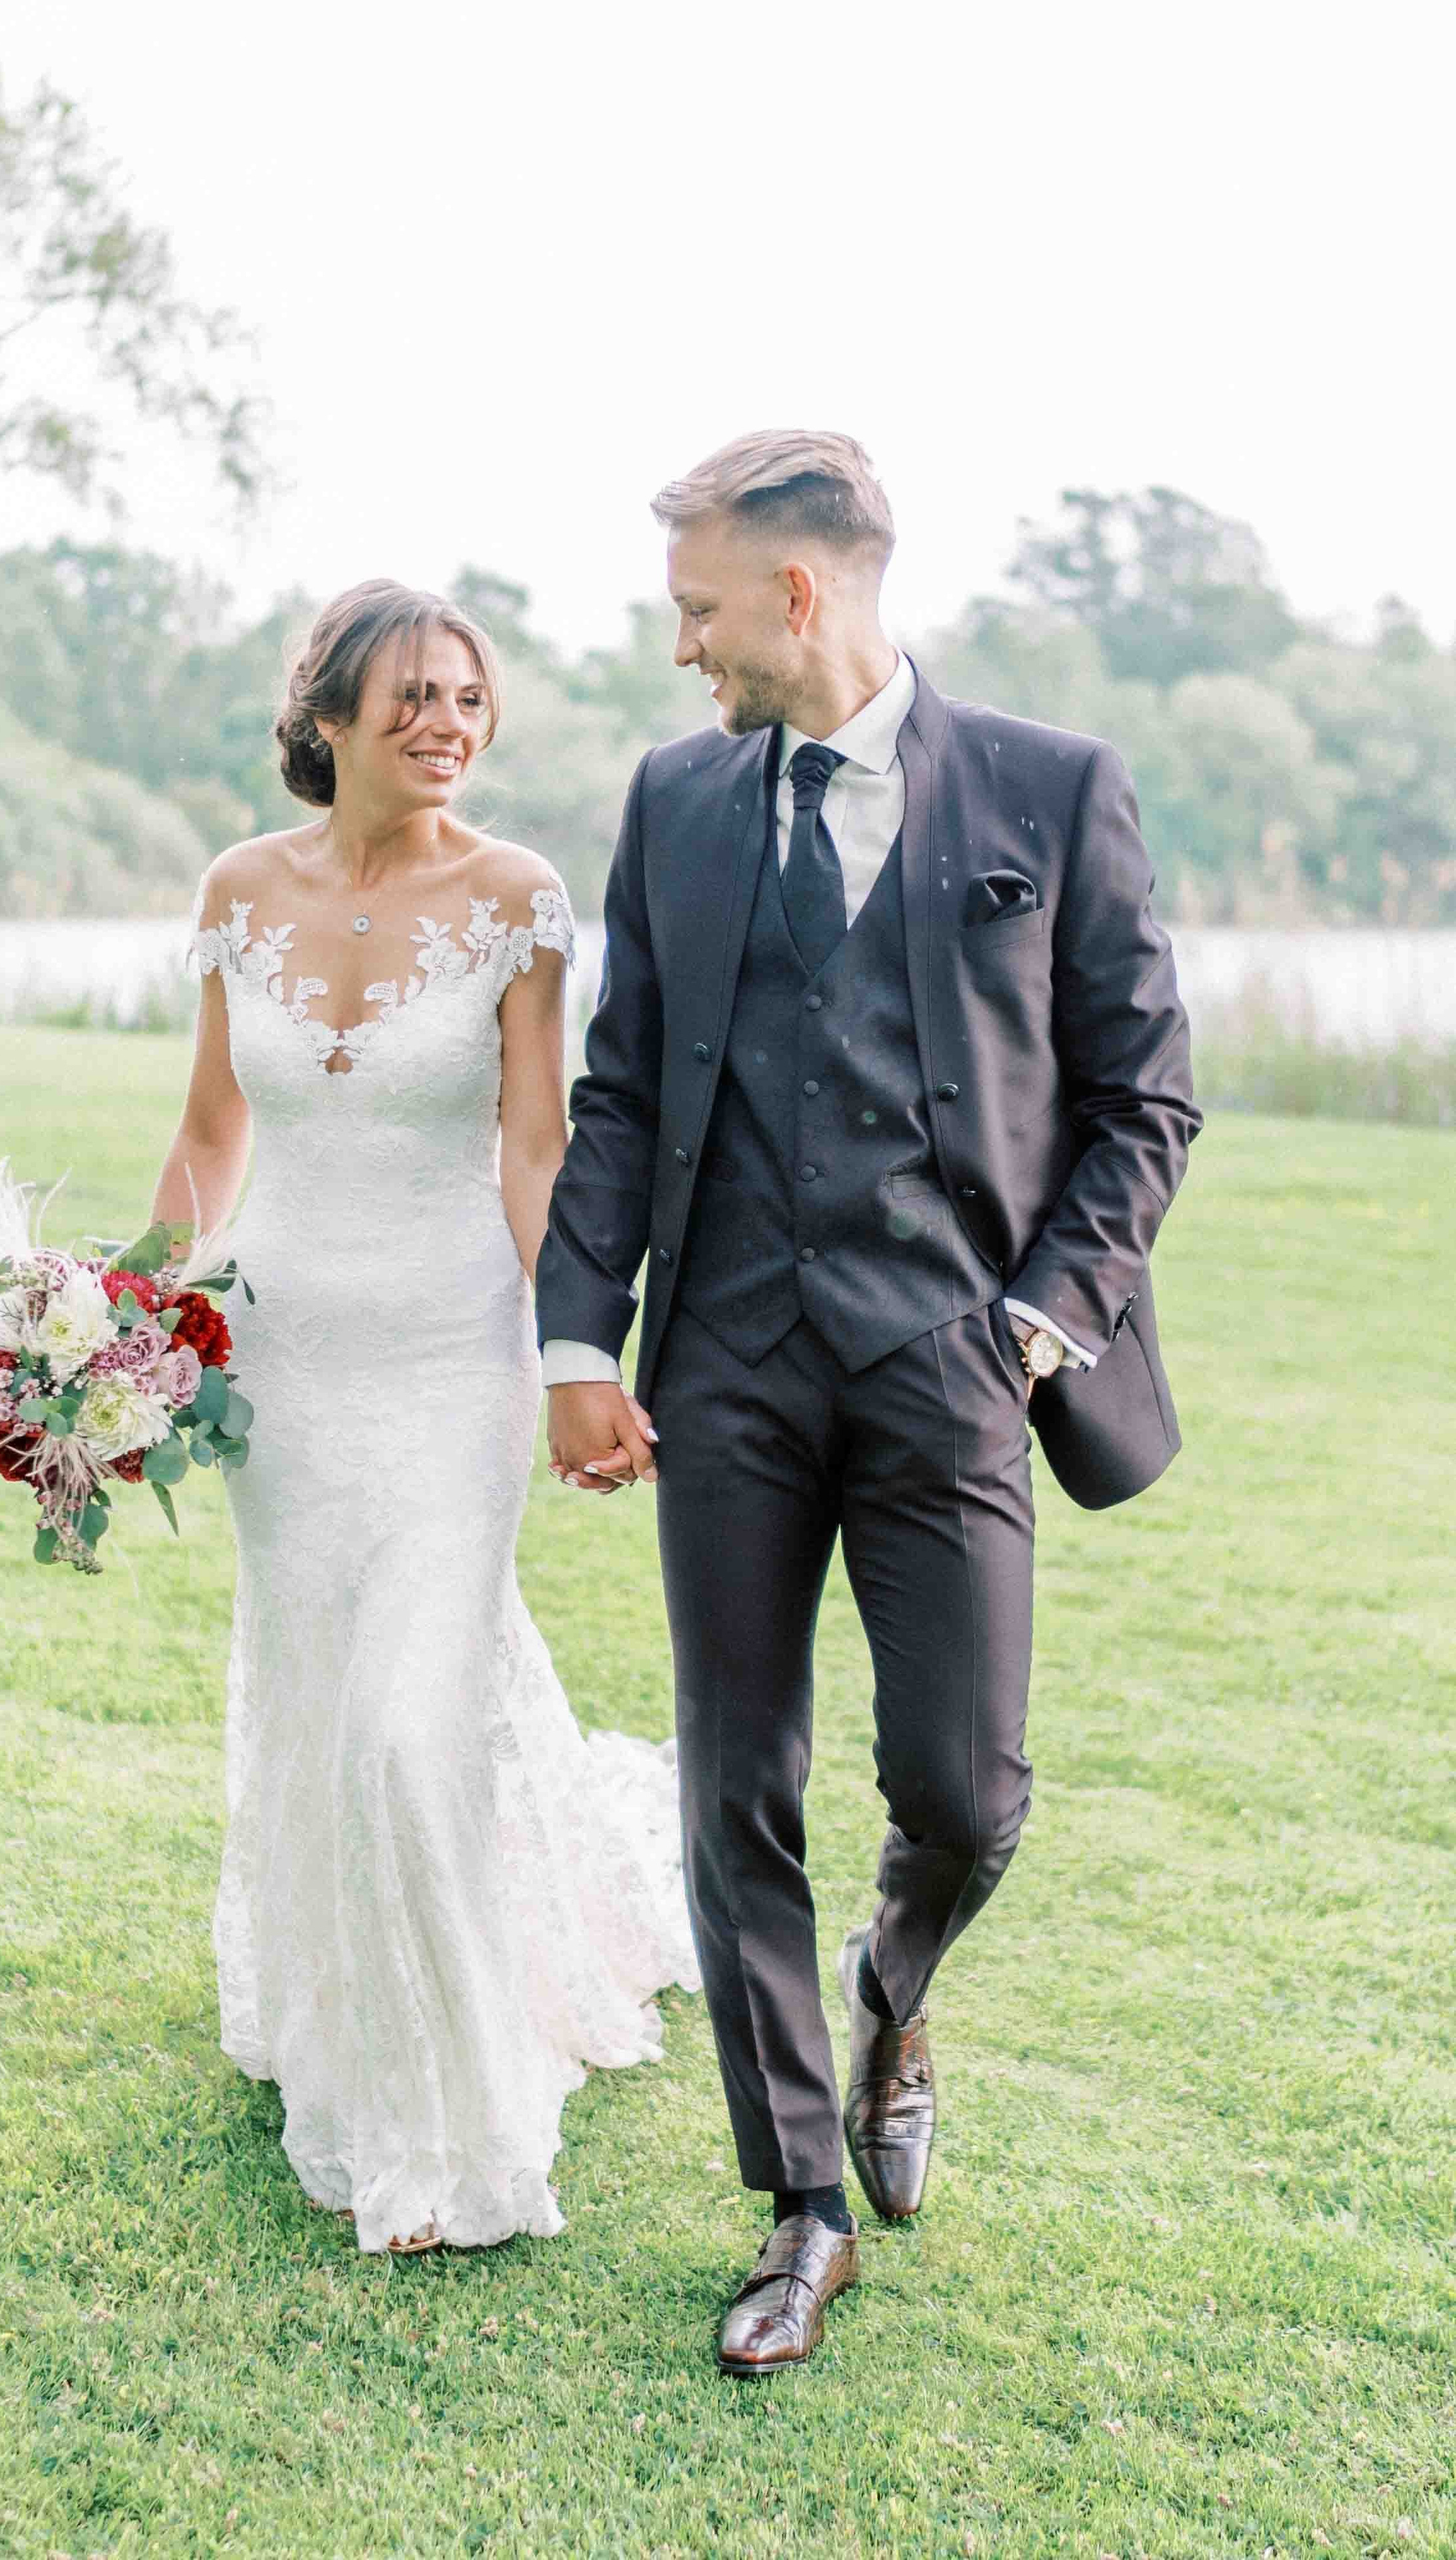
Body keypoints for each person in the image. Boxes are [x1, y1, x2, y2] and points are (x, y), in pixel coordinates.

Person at [537, 431, 1200, 2373]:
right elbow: (628, 1090)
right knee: (736, 1785)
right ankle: (800, 2205)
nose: (685, 652)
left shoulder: (1052, 793)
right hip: (728, 1365)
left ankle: (895, 1984)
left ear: (800, 594)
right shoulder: (672, 805)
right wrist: (584, 1337)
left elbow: (1144, 1100)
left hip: (955, 1367)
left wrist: (1034, 1325)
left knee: (968, 1791)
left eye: (700, 610)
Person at [153, 579, 697, 2255]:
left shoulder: (519, 902)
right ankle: (338, 2019)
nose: (447, 724)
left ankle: (458, 2124)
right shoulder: (240, 889)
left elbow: (535, 1154)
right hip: (281, 1370)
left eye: (468, 698)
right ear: (325, 716)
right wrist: (121, 1327)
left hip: (451, 1361)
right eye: (410, 698)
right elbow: (206, 1137)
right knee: (321, 1704)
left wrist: (572, 1359)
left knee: (407, 1723)